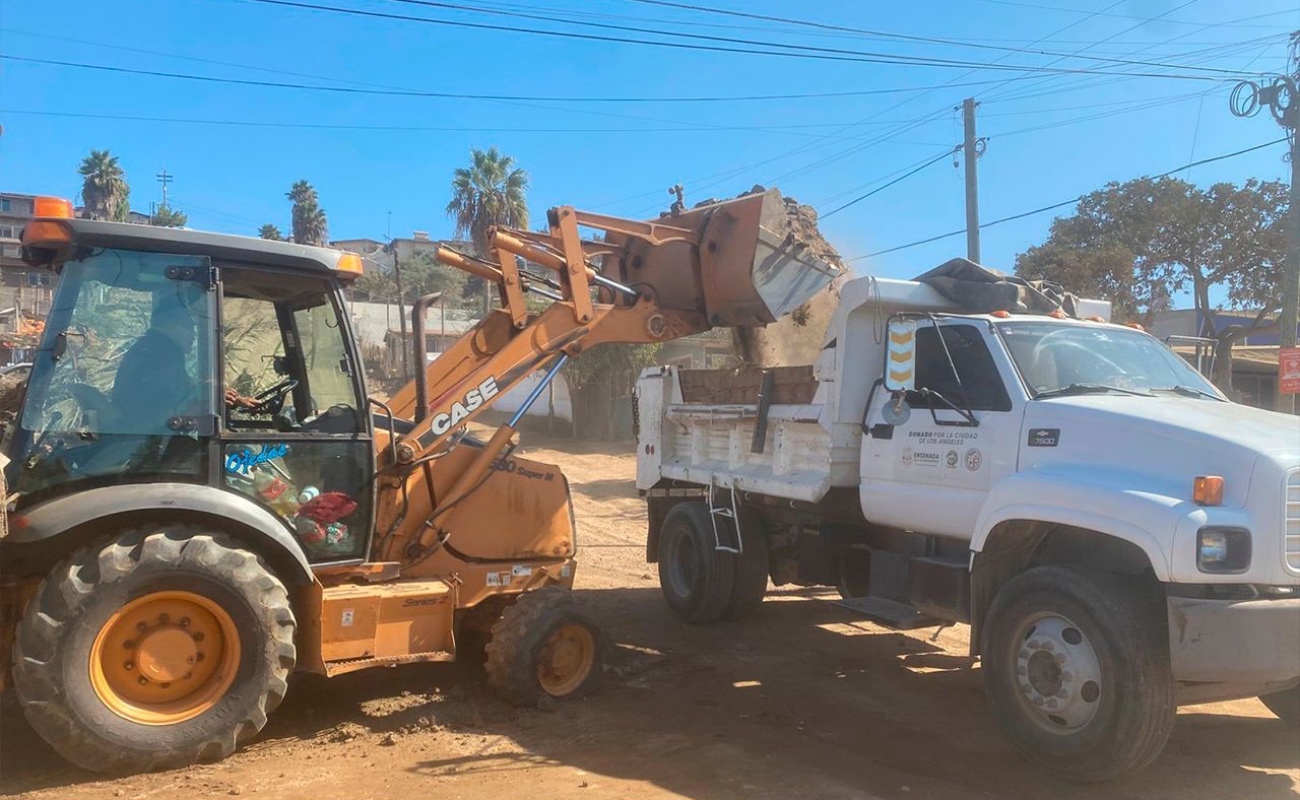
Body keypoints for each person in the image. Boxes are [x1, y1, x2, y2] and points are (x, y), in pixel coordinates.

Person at [112, 302, 199, 432]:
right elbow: (176, 394)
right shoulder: (160, 353)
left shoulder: (149, 347)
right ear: (170, 326)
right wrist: (208, 394)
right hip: (144, 431)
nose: (194, 335)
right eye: (189, 327)